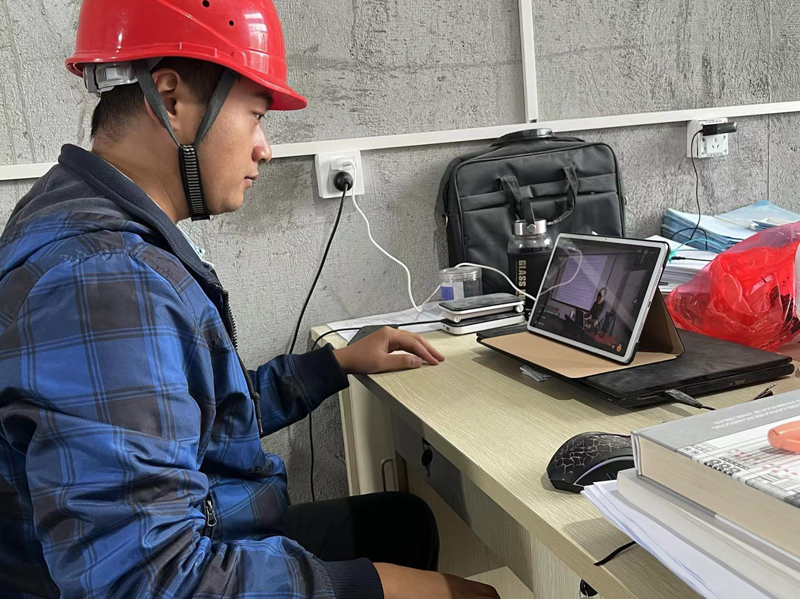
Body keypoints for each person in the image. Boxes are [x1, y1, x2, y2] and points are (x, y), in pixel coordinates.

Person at [0, 1, 500, 598]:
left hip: (207, 524)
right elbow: (151, 582)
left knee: (403, 523)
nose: (264, 148)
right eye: (257, 115)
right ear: (171, 99)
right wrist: (371, 588)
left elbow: (197, 414)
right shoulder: (103, 283)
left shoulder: (78, 212)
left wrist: (333, 364)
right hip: (186, 564)